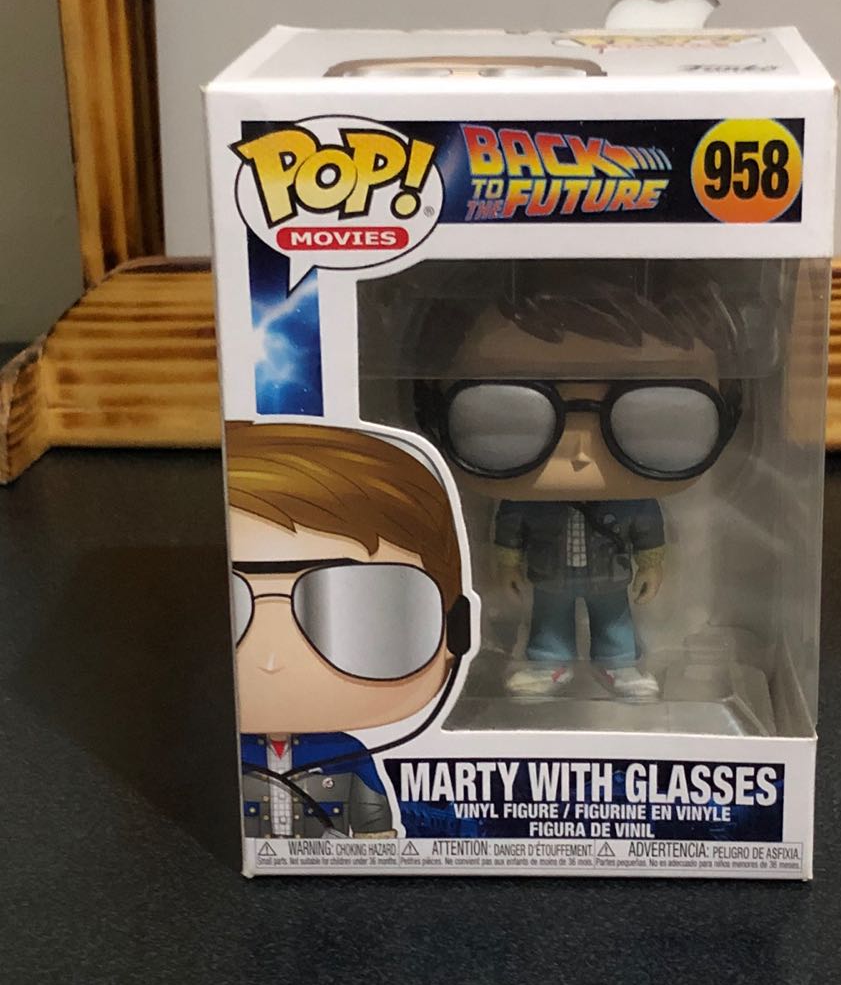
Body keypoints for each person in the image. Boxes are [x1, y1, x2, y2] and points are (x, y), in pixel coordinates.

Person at [413, 264, 744, 701]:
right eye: (506, 415)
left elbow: (647, 533)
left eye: (657, 417)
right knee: (549, 624)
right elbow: (510, 532)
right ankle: (548, 662)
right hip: (549, 577)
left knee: (615, 623)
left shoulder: (633, 504)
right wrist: (507, 566)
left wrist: (651, 566)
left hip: (610, 577)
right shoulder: (524, 505)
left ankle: (619, 664)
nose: (581, 452)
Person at [225, 421, 469, 838]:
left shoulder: (348, 753)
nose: (271, 660)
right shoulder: (223, 754)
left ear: (456, 629)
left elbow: (375, 825)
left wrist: (375, 848)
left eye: (358, 607)